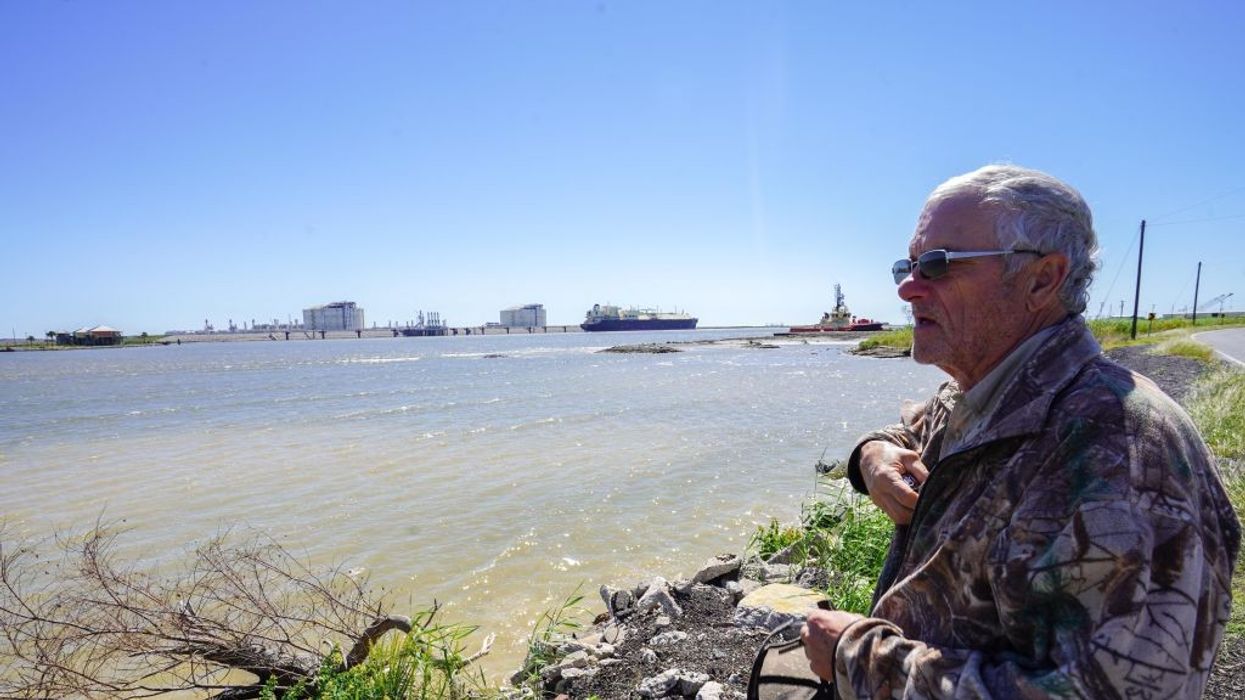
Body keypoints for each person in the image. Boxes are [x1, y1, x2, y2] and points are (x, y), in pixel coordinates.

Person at [801, 165, 1240, 698]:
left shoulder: (1119, 448)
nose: (908, 287)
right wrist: (870, 457)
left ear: (1041, 279)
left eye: (938, 265)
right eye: (908, 264)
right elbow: (908, 431)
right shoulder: (981, 391)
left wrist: (857, 655)